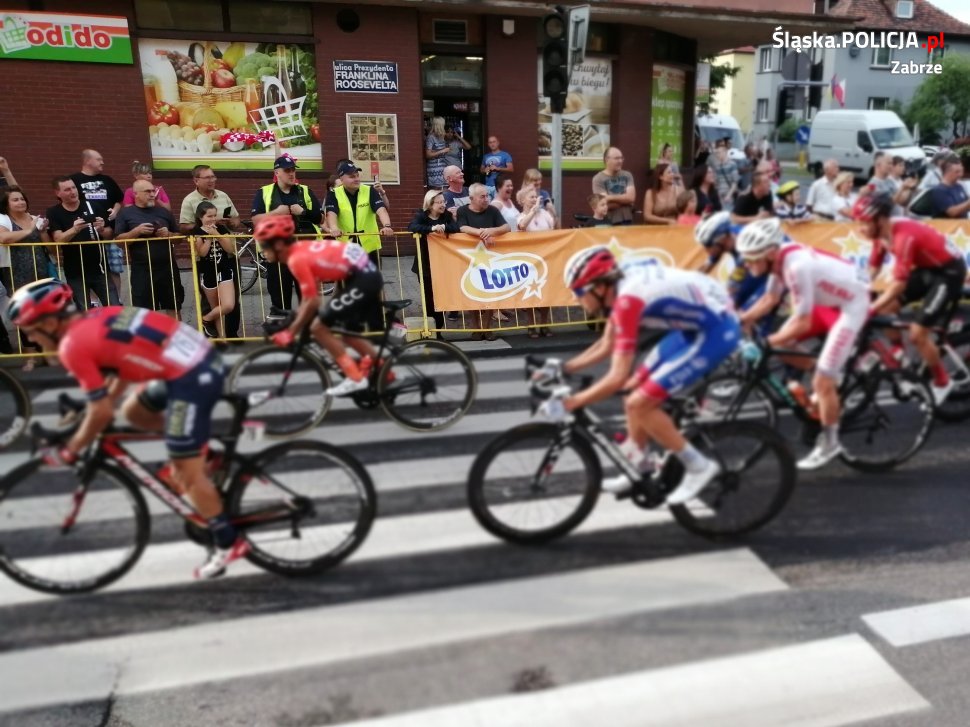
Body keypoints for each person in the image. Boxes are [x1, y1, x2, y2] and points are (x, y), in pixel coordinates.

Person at [7, 278, 248, 579]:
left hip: (190, 377)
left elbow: (101, 412)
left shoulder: (73, 346)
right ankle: (200, 451)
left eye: (30, 329)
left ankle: (228, 541)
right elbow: (121, 365)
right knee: (134, 411)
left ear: (50, 322)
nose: (30, 338)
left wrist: (72, 450)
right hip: (189, 362)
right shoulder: (96, 316)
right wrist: (99, 406)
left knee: (187, 474)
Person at [538, 248, 737, 502]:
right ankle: (639, 465)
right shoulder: (618, 286)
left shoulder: (627, 302)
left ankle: (699, 466)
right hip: (694, 325)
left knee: (640, 403)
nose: (577, 300)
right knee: (633, 390)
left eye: (579, 292)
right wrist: (565, 368)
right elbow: (607, 344)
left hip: (716, 330)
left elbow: (616, 376)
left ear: (599, 287)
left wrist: (572, 403)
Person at [736, 217, 869, 470]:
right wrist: (742, 320)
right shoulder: (779, 259)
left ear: (770, 253)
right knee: (783, 346)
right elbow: (770, 298)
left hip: (852, 305)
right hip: (831, 298)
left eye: (752, 257)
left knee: (821, 381)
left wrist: (765, 343)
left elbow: (803, 323)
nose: (747, 263)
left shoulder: (796, 268)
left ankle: (830, 442)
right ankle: (828, 375)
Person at [855, 188, 967, 404]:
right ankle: (900, 353)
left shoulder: (903, 236)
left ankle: (942, 381)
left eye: (864, 222)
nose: (860, 228)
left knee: (917, 333)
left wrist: (870, 308)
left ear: (880, 220)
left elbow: (898, 285)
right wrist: (856, 291)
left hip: (949, 272)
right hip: (928, 269)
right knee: (886, 308)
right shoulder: (881, 234)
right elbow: (871, 269)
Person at [254, 215, 386, 397]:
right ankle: (385, 372)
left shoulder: (296, 259)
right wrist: (296, 318)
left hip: (361, 279)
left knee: (318, 327)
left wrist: (291, 332)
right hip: (360, 275)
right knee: (348, 333)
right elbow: (311, 297)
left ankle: (356, 378)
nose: (263, 253)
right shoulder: (299, 251)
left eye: (264, 247)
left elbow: (313, 301)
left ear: (278, 245)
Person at [251, 154, 323, 310]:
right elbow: (256, 220)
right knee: (280, 300)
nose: (291, 174)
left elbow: (320, 218)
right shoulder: (264, 192)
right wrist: (276, 213)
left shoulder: (305, 191)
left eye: (293, 170)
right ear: (277, 173)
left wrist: (303, 212)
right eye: (287, 170)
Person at [45, 176, 119, 311]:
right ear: (58, 193)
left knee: (114, 308)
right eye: (67, 189)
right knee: (83, 311)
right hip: (75, 271)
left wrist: (102, 229)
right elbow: (58, 239)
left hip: (99, 268)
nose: (73, 192)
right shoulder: (54, 212)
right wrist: (75, 229)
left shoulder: (92, 205)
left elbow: (109, 234)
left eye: (73, 188)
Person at [113, 179, 184, 319]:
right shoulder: (126, 213)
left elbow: (180, 238)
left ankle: (175, 332)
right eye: (148, 191)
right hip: (142, 269)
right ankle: (149, 333)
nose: (152, 194)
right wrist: (136, 232)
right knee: (144, 310)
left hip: (167, 267)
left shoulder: (164, 212)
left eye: (153, 191)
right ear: (136, 194)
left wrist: (168, 234)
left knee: (173, 305)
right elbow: (119, 241)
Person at [0, 187, 52, 366]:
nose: (20, 202)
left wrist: (43, 232)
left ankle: (46, 351)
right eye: (15, 200)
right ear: (6, 204)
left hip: (40, 271)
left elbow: (50, 248)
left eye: (22, 199)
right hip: (17, 274)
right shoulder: (4, 219)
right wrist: (29, 230)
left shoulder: (34, 218)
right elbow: (4, 238)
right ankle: (30, 354)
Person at [457, 183, 511, 341]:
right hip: (470, 259)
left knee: (489, 294)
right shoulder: (462, 211)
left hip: (491, 259)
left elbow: (506, 227)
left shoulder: (493, 210)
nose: (486, 199)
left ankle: (487, 328)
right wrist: (482, 233)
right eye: (482, 196)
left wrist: (491, 231)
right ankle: (475, 328)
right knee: (472, 293)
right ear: (471, 198)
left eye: (487, 195)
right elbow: (462, 228)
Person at [693, 211, 768, 315]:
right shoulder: (729, 235)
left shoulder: (744, 253)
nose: (706, 251)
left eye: (708, 246)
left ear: (722, 239)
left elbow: (732, 296)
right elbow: (705, 267)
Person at [71, 149, 124, 294]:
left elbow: (118, 200)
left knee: (113, 269)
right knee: (91, 270)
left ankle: (117, 300)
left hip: (108, 233)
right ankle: (94, 302)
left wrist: (115, 211)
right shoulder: (74, 180)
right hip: (86, 234)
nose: (103, 162)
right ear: (88, 161)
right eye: (99, 159)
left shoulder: (107, 180)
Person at [325, 161, 394, 268]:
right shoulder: (334, 193)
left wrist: (387, 226)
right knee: (347, 277)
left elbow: (381, 210)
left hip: (369, 245)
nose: (357, 179)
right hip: (346, 246)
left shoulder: (369, 190)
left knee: (371, 277)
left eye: (357, 175)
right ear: (341, 179)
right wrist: (334, 228)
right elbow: (331, 213)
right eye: (352, 177)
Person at [408, 189, 460, 331]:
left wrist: (445, 226)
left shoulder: (447, 215)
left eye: (444, 201)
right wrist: (432, 228)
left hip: (442, 263)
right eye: (439, 202)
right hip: (425, 263)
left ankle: (439, 327)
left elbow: (456, 227)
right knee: (429, 298)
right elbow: (412, 227)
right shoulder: (421, 215)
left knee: (440, 296)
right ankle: (431, 329)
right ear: (430, 204)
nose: (443, 205)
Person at [191, 201, 236, 338]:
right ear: (201, 217)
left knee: (228, 305)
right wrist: (209, 238)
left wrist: (216, 233)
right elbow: (202, 253)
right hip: (208, 272)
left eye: (215, 215)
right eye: (209, 216)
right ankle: (222, 339)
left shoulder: (220, 228)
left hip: (224, 269)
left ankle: (206, 319)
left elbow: (230, 249)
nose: (213, 219)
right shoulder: (197, 232)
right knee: (216, 307)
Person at [178, 165, 242, 235]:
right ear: (196, 181)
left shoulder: (223, 196)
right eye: (207, 178)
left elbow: (236, 218)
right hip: (203, 241)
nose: (212, 180)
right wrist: (211, 222)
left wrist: (232, 223)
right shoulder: (189, 200)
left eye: (213, 177)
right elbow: (184, 228)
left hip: (227, 240)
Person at [592, 147, 636, 225]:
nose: (620, 161)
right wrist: (626, 202)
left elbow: (631, 198)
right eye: (616, 158)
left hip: (627, 221)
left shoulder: (627, 175)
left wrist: (609, 197)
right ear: (607, 160)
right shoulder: (598, 179)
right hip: (608, 222)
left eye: (621, 158)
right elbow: (603, 205)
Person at [708, 141, 739, 211]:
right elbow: (717, 183)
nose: (717, 155)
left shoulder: (732, 164)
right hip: (720, 196)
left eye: (719, 153)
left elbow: (735, 182)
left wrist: (729, 195)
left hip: (729, 196)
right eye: (716, 153)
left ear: (725, 152)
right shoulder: (718, 166)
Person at [425, 116, 450, 189]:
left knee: (445, 190)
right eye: (443, 124)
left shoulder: (441, 136)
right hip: (435, 168)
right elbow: (428, 155)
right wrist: (442, 151)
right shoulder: (431, 137)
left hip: (443, 167)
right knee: (437, 191)